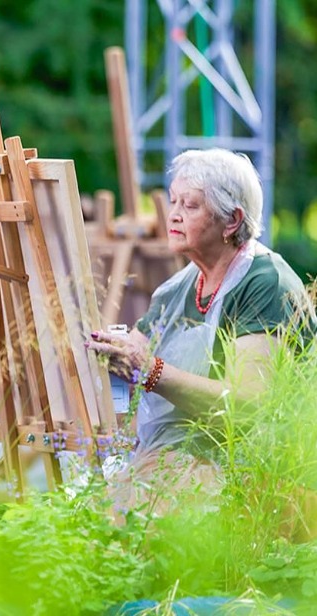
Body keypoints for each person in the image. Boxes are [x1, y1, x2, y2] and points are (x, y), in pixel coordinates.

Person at [87, 148, 316, 514]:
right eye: (173, 200)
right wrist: (110, 353)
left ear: (231, 220)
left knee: (140, 512)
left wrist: (150, 371)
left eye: (190, 205)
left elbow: (249, 407)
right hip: (180, 463)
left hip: (263, 482)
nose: (173, 214)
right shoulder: (178, 288)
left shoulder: (265, 283)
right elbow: (133, 355)